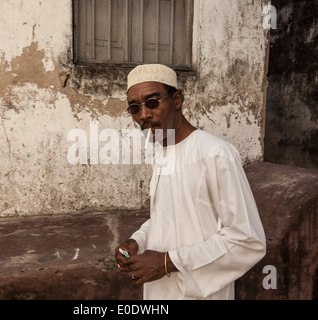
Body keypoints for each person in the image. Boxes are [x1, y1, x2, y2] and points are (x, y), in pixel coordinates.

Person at [114, 64, 266, 300]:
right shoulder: (163, 154)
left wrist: (167, 262)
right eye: (135, 108)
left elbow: (246, 240)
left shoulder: (216, 153)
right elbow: (167, 218)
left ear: (176, 100)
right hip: (160, 291)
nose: (143, 115)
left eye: (152, 102)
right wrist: (137, 241)